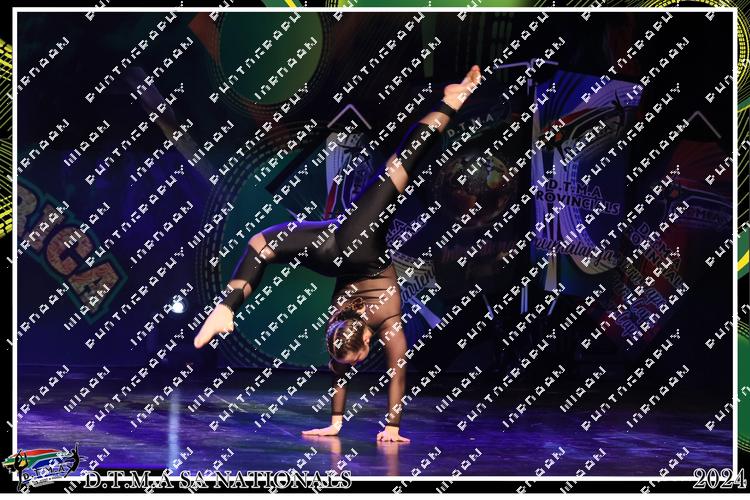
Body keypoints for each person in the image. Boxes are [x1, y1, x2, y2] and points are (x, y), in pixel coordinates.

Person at [194, 65, 483, 442]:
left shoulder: (367, 327)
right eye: (351, 359)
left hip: (353, 244)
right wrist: (348, 424)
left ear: (364, 342)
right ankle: (226, 307)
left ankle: (226, 307)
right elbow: (368, 372)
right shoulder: (347, 329)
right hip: (335, 246)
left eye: (350, 359)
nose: (352, 364)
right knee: (262, 244)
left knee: (401, 164)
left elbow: (392, 372)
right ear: (361, 341)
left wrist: (379, 425)